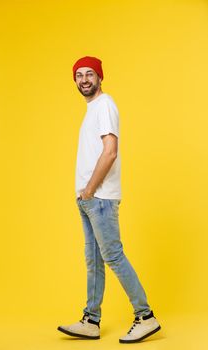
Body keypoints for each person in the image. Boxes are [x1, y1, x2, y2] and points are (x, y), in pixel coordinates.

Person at [57, 56, 161, 343]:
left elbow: (110, 151)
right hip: (89, 199)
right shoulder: (93, 109)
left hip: (99, 198)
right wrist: (84, 194)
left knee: (112, 255)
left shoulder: (104, 105)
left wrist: (90, 189)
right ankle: (91, 320)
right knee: (93, 260)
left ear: (100, 77)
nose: (85, 79)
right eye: (79, 75)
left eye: (90, 74)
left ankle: (145, 316)